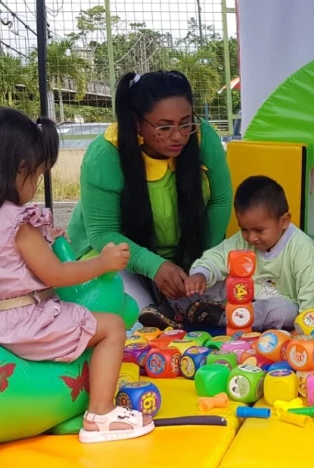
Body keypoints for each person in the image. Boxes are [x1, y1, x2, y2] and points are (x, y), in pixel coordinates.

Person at [0, 106, 153, 443]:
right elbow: (57, 275)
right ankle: (101, 414)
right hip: (22, 323)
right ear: (18, 170)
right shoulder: (15, 221)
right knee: (112, 326)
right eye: (34, 175)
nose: (33, 185)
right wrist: (102, 263)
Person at [67, 71, 233, 330]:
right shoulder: (104, 155)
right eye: (164, 127)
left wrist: (201, 261)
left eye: (185, 123)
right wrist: (154, 267)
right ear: (136, 123)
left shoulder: (202, 137)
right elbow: (103, 232)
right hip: (116, 256)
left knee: (231, 303)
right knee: (137, 320)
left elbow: (221, 200)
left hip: (186, 253)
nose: (178, 136)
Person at [184, 175, 314, 331]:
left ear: (284, 221)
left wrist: (305, 329)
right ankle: (179, 308)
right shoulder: (243, 240)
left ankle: (222, 318)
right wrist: (201, 274)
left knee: (282, 311)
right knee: (205, 283)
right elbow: (218, 256)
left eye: (259, 230)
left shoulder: (302, 248)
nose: (251, 238)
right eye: (244, 229)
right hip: (239, 299)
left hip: (275, 305)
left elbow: (312, 292)